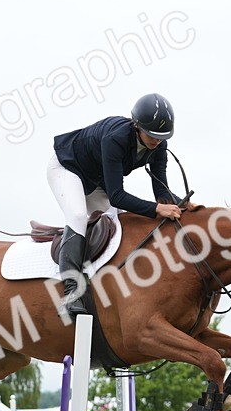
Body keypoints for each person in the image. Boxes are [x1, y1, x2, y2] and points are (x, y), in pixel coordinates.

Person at [49, 93, 183, 316]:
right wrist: (157, 209)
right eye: (151, 135)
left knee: (119, 223)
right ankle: (70, 293)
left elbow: (162, 192)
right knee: (78, 216)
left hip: (96, 181)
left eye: (161, 137)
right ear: (137, 126)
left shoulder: (160, 147)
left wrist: (185, 207)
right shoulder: (116, 138)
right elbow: (117, 197)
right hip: (67, 168)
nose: (156, 141)